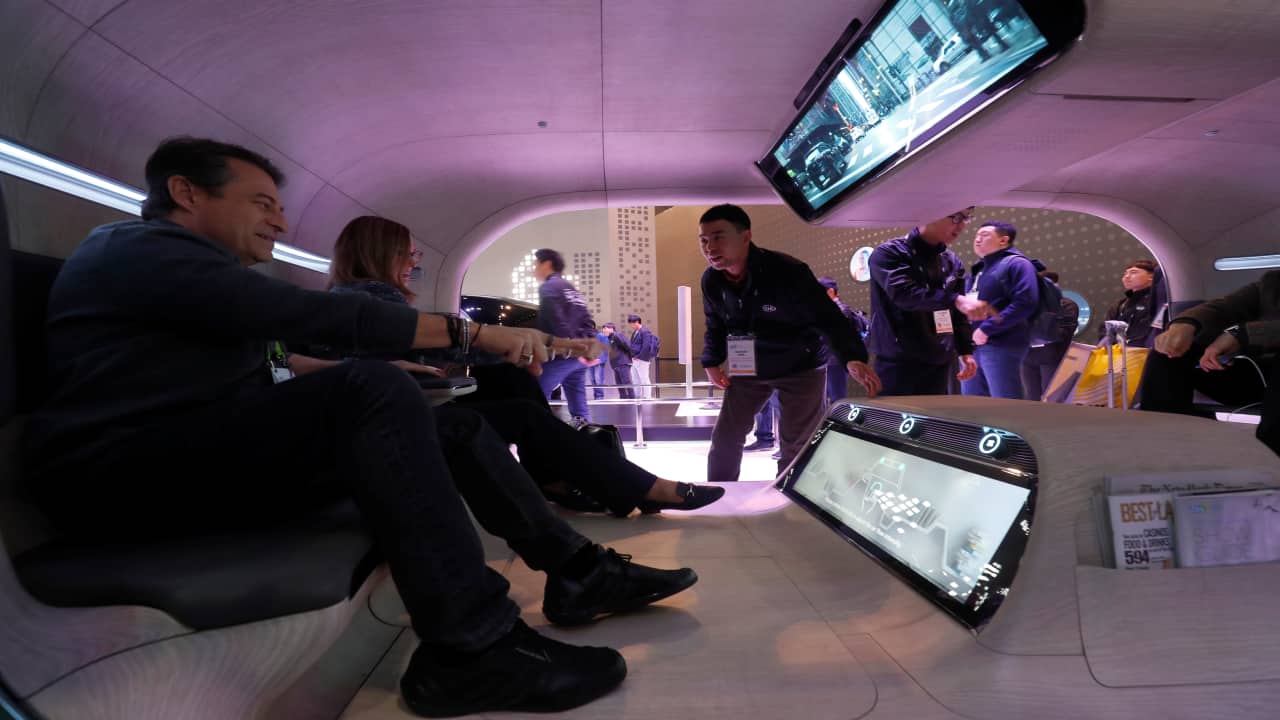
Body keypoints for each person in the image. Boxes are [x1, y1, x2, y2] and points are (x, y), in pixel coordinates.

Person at [20, 137, 701, 717]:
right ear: (186, 193)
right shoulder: (137, 249)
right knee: (371, 387)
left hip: (186, 453)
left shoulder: (185, 279)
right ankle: (472, 648)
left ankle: (580, 572)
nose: (281, 223)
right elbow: (306, 320)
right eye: (263, 204)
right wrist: (476, 336)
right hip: (123, 478)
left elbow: (275, 358)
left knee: (456, 429)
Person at [320, 215, 724, 517]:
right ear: (380, 255)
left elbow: (458, 346)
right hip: (393, 417)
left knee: (512, 377)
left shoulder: (354, 298)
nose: (413, 261)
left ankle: (558, 479)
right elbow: (458, 344)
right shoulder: (370, 301)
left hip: (402, 403)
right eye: (407, 253)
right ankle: (642, 488)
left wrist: (545, 347)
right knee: (526, 413)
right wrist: (554, 346)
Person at [698, 204, 881, 482]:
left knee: (795, 443)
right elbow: (715, 324)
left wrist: (851, 356)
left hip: (801, 366)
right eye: (704, 240)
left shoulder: (787, 270)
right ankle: (719, 496)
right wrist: (711, 360)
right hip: (750, 366)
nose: (710, 247)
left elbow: (828, 317)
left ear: (745, 236)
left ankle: (788, 502)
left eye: (718, 237)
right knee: (726, 437)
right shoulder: (711, 280)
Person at [1143, 270, 1279, 456]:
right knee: (1169, 354)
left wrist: (1242, 334)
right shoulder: (1273, 282)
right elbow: (1225, 307)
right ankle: (1165, 442)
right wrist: (1186, 323)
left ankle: (1271, 458)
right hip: (1257, 376)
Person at [867, 208, 984, 395]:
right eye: (956, 217)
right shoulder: (889, 253)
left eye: (966, 218)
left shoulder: (952, 261)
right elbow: (905, 295)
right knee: (895, 420)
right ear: (929, 213)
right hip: (898, 360)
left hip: (940, 357)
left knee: (934, 420)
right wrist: (955, 300)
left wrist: (965, 350)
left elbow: (956, 314)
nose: (962, 226)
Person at [959, 221, 1040, 400]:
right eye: (976, 235)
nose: (978, 239)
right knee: (972, 403)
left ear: (1004, 240)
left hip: (1002, 343)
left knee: (1005, 403)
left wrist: (987, 329)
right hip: (973, 346)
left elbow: (1025, 302)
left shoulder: (1017, 263)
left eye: (985, 235)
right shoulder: (978, 268)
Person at [534, 248, 596, 424]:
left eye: (536, 265)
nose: (534, 270)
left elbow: (556, 320)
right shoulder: (571, 289)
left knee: (535, 397)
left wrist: (569, 346)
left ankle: (541, 442)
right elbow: (587, 320)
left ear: (546, 264)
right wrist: (586, 348)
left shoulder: (548, 288)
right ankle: (588, 438)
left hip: (561, 354)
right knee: (579, 404)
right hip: (579, 356)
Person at [1020, 271, 1080, 400]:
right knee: (1031, 395)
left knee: (1051, 396)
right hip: (1028, 356)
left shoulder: (1067, 305)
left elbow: (1065, 332)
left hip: (1052, 356)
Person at [816, 276, 865, 405]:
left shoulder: (840, 311)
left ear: (830, 292)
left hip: (835, 361)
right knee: (829, 398)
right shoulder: (833, 310)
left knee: (837, 398)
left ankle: (835, 424)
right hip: (831, 361)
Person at [1099, 259, 1159, 348]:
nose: (1127, 276)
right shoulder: (1120, 304)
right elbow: (1106, 329)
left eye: (1133, 272)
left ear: (1152, 276)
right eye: (1125, 274)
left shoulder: (1158, 301)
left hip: (1144, 354)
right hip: (1117, 355)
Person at [628, 315, 659, 399]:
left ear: (637, 322)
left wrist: (639, 356)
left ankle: (647, 397)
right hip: (635, 359)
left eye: (632, 323)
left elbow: (646, 346)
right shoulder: (636, 332)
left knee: (644, 378)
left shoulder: (645, 331)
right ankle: (637, 396)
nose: (631, 325)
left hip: (642, 359)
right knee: (635, 379)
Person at [601, 322, 635, 399]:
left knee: (626, 381)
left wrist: (632, 356)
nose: (603, 330)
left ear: (612, 329)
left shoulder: (617, 335)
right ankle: (623, 398)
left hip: (622, 363)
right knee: (619, 383)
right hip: (616, 364)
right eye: (603, 329)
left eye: (605, 328)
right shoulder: (610, 338)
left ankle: (632, 399)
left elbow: (627, 345)